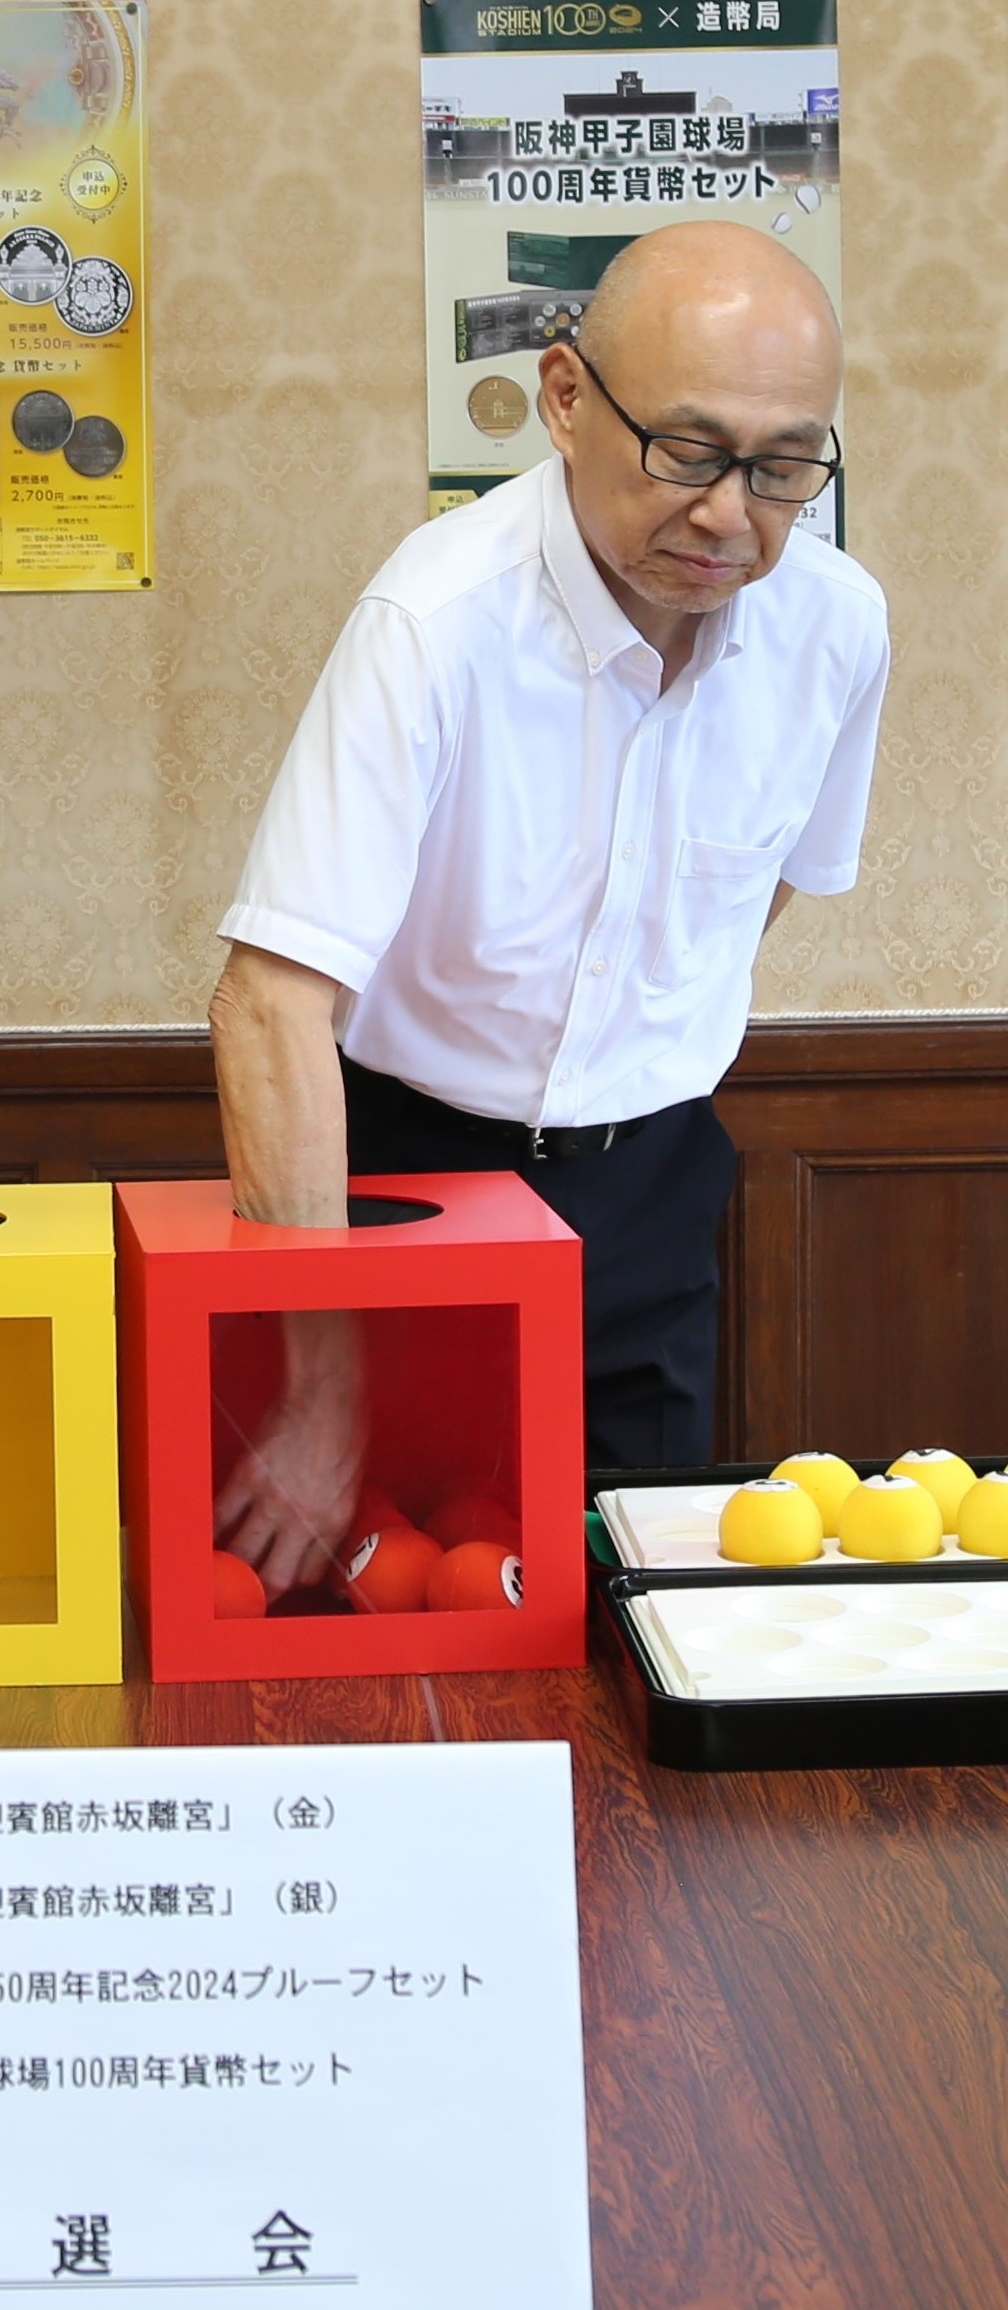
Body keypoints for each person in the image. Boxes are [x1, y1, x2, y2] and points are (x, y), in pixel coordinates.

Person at [207, 221, 889, 1596]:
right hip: (407, 1183)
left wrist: (627, 1054)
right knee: (390, 1616)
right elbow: (271, 998)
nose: (729, 515)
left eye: (782, 467)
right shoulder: (436, 620)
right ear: (566, 398)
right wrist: (322, 1379)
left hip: (651, 1189)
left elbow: (751, 894)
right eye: (689, 453)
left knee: (620, 1628)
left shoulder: (834, 625)